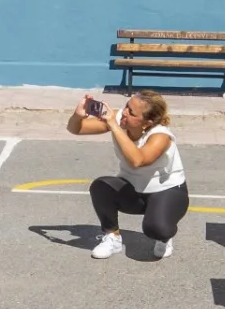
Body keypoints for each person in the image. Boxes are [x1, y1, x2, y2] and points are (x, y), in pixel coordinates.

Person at [76, 91, 188, 262]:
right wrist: (78, 116)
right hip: (134, 190)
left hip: (167, 191)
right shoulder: (121, 119)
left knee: (156, 229)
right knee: (101, 186)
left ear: (147, 122)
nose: (125, 112)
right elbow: (76, 128)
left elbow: (138, 160)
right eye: (127, 106)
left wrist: (113, 126)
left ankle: (164, 237)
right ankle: (112, 238)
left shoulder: (161, 136)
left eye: (132, 112)